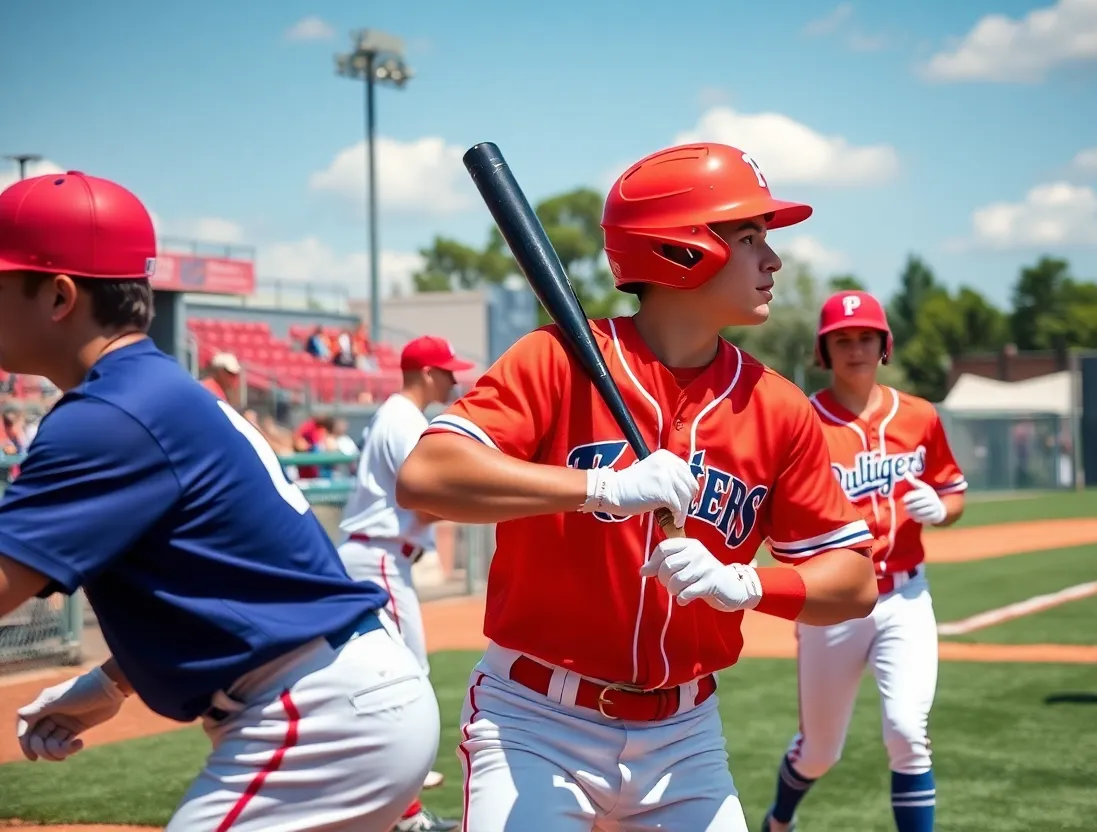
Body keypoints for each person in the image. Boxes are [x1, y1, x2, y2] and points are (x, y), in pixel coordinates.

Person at [396, 142, 879, 831]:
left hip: (686, 738)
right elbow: (427, 476)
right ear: (682, 251)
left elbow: (854, 581)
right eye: (749, 238)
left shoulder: (776, 407)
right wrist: (597, 486)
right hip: (535, 722)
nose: (772, 260)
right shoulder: (557, 361)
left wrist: (746, 585)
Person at [0, 171, 440, 830]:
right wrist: (112, 682)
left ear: (60, 295)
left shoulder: (109, 414)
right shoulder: (155, 392)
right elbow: (243, 581)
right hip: (342, 696)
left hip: (316, 719)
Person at [762, 291, 968, 832]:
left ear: (884, 346)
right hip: (834, 602)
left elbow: (953, 491)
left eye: (866, 337)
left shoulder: (920, 416)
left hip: (905, 595)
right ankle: (780, 820)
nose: (855, 348)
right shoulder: (802, 419)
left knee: (907, 731)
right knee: (819, 752)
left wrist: (942, 511)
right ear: (824, 351)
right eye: (842, 339)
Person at [336, 335, 474, 832]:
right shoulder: (404, 420)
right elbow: (423, 498)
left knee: (383, 679)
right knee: (405, 677)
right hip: (378, 559)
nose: (454, 380)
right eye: (448, 371)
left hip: (379, 556)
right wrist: (483, 501)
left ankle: (384, 795)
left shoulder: (397, 415)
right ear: (427, 373)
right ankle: (402, 813)